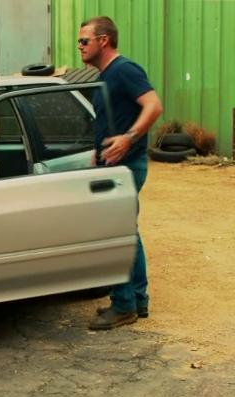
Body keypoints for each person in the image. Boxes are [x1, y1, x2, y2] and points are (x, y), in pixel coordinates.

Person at [78, 16, 163, 330]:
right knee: (128, 232)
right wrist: (96, 149)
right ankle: (137, 301)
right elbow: (112, 119)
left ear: (104, 40)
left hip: (127, 166)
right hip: (113, 164)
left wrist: (129, 138)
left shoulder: (124, 69)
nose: (79, 46)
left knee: (116, 234)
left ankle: (124, 305)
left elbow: (153, 106)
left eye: (84, 40)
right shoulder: (105, 75)